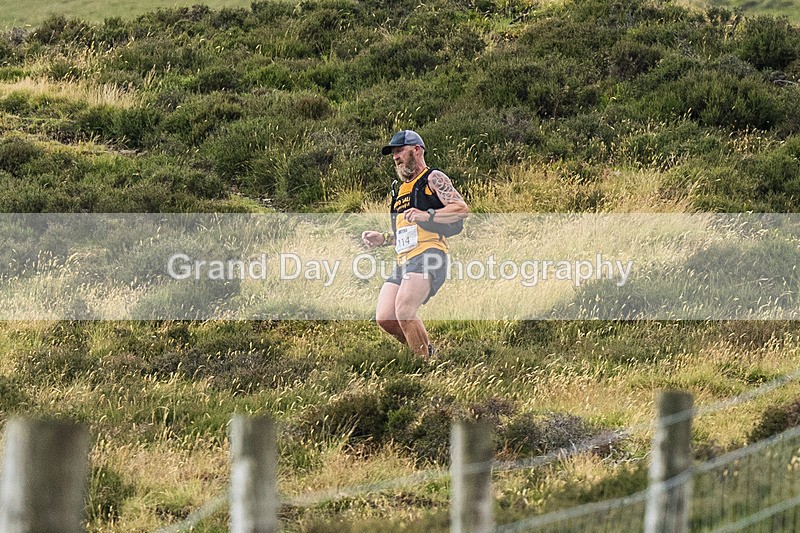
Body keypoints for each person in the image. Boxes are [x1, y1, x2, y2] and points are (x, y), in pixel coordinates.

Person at [362, 130, 469, 356]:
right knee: (386, 318)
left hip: (429, 255)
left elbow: (461, 209)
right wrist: (384, 239)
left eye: (400, 150)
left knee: (405, 310)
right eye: (393, 153)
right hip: (404, 260)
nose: (396, 157)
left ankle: (425, 369)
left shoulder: (433, 178)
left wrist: (427, 214)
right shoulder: (400, 190)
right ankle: (427, 353)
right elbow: (407, 231)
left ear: (416, 150)